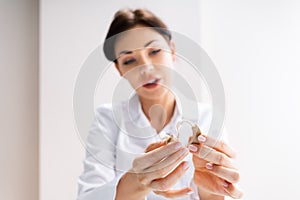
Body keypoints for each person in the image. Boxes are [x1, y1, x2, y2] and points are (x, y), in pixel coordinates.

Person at [77, 8, 243, 200]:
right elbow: (87, 196)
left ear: (172, 50)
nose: (146, 68)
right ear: (119, 69)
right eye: (129, 60)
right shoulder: (108, 120)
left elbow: (217, 194)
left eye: (155, 51)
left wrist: (211, 191)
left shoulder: (207, 117)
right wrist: (134, 183)